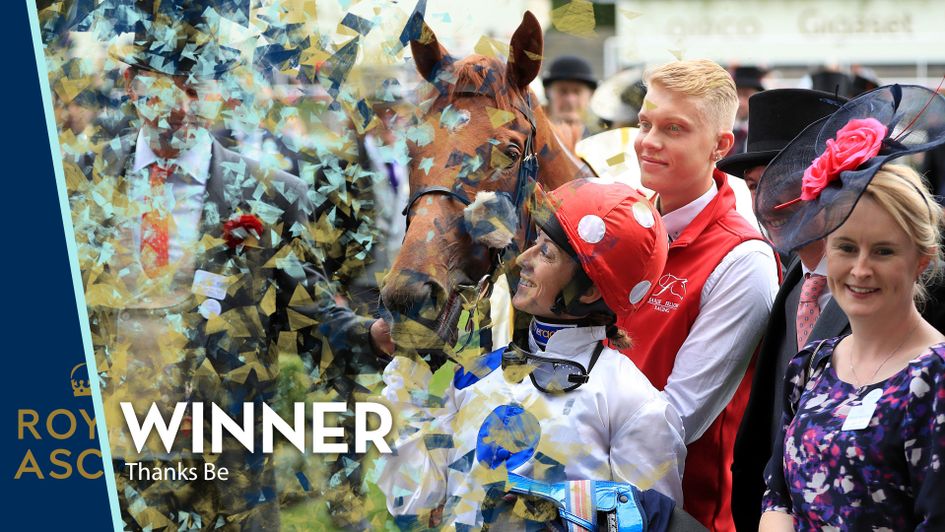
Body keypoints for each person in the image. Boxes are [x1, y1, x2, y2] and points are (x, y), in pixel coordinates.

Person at [70, 2, 392, 528]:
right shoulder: (79, 181)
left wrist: (374, 335)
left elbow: (305, 311)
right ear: (133, 85)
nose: (191, 101)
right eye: (177, 82)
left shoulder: (272, 193)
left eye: (205, 84)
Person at [378, 178, 687, 529]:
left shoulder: (633, 404)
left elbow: (647, 522)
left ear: (586, 291)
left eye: (546, 253)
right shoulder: (476, 371)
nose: (524, 259)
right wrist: (408, 364)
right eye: (535, 243)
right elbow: (412, 500)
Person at [755, 84, 945, 530]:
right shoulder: (811, 365)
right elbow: (776, 494)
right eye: (845, 247)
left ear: (921, 261)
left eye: (882, 251)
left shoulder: (935, 377)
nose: (860, 269)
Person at [627, 59, 780, 531]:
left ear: (721, 145)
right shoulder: (622, 223)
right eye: (645, 124)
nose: (649, 141)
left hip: (683, 515)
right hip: (593, 495)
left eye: (673, 128)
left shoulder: (743, 260)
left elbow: (673, 422)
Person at [717, 88, 848, 531]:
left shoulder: (908, 290)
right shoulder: (793, 280)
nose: (766, 202)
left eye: (785, 181)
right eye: (754, 185)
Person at [542, 55, 597, 138]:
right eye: (562, 91)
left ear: (591, 95)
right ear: (547, 92)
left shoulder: (601, 145)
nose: (570, 99)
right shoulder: (530, 143)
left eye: (577, 92)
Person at [730, 66, 767, 155]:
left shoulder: (764, 134)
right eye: (737, 95)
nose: (740, 102)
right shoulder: (723, 128)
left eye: (746, 95)